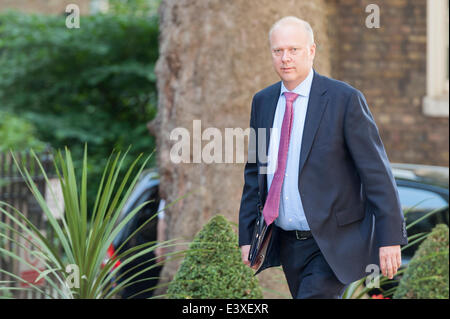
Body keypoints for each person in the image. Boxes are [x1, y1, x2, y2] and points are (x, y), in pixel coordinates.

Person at [238, 16, 408, 299]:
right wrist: (248, 236)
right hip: (287, 241)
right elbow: (256, 172)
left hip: (332, 242)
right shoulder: (263, 102)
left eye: (294, 49)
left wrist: (390, 237)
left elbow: (376, 172)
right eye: (278, 51)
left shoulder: (344, 99)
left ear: (312, 51)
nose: (285, 58)